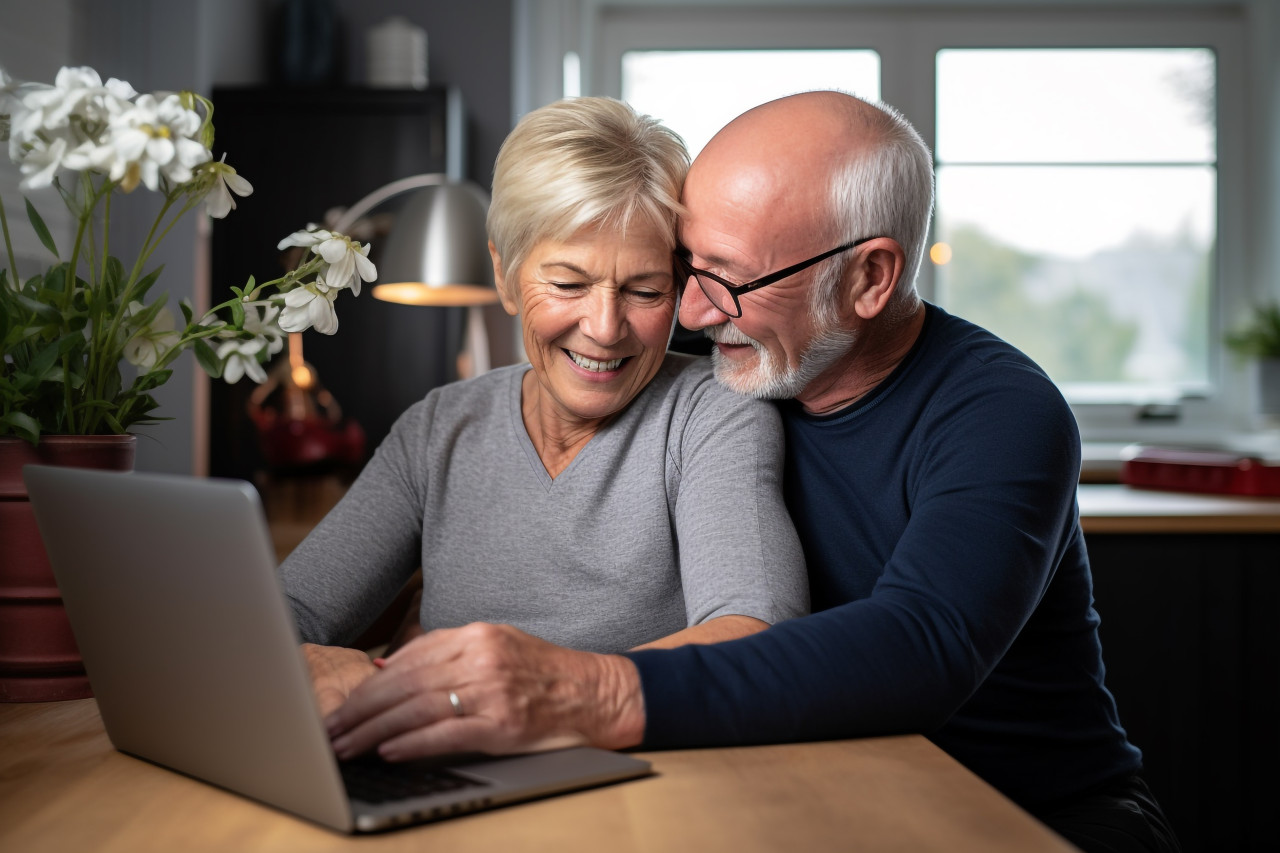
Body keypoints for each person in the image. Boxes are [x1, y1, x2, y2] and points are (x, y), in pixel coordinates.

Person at [322, 91, 1179, 853]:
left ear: (870, 277)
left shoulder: (1000, 413)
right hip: (829, 789)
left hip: (1032, 811)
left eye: (727, 279)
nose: (689, 311)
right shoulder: (730, 339)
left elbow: (922, 645)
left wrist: (583, 687)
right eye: (687, 268)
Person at [281, 96, 807, 718]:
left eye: (644, 290)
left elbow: (759, 638)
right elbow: (288, 612)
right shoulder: (438, 428)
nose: (606, 328)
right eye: (568, 284)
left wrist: (545, 691)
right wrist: (314, 659)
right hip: (451, 772)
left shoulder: (714, 415)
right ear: (504, 275)